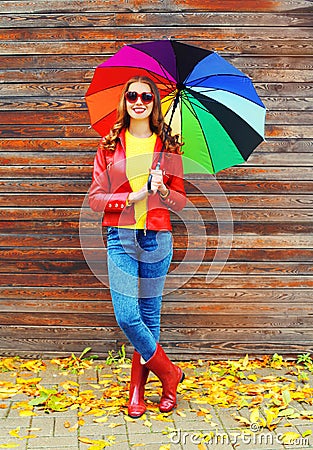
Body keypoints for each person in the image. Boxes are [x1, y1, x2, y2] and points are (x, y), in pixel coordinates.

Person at [88, 75, 186, 418]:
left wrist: (162, 191)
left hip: (157, 237)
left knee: (149, 317)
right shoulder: (109, 144)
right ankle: (170, 374)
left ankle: (137, 392)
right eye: (133, 95)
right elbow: (96, 200)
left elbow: (182, 203)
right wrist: (132, 196)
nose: (139, 101)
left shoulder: (168, 146)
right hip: (121, 236)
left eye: (146, 96)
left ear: (154, 102)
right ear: (125, 101)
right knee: (128, 315)